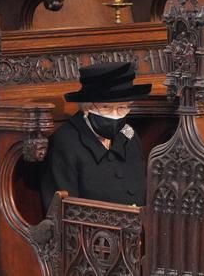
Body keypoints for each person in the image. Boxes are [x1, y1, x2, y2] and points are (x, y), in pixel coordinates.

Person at [41, 62, 151, 210]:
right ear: (87, 107)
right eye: (106, 107)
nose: (115, 115)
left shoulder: (129, 135)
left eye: (121, 108)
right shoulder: (66, 141)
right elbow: (63, 210)